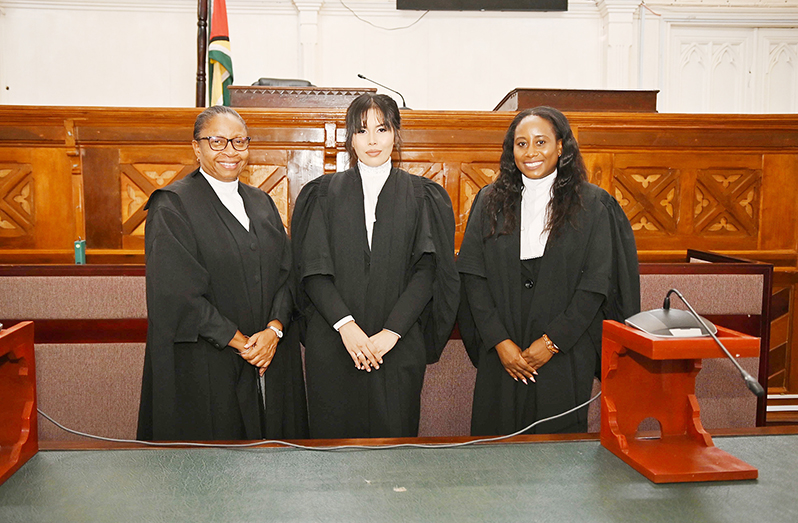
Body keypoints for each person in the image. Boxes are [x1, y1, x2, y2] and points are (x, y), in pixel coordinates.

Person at [457, 106, 640, 436]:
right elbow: (473, 277)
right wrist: (500, 342)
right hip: (503, 350)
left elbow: (596, 285)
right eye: (521, 143)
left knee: (558, 456)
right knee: (495, 450)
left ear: (561, 146)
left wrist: (552, 342)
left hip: (564, 351)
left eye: (541, 142)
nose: (531, 152)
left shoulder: (593, 205)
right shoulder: (488, 201)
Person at [291, 93, 460, 439]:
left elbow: (428, 271)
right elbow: (312, 270)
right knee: (333, 454)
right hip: (336, 341)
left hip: (395, 346)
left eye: (381, 129)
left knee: (392, 455)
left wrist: (391, 333)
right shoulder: (321, 194)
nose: (372, 140)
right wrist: (347, 327)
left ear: (396, 134)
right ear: (349, 138)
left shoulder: (421, 195)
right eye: (362, 130)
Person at [137, 106, 308, 441]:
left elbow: (287, 275)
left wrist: (274, 331)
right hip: (207, 362)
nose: (230, 151)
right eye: (217, 141)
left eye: (239, 141)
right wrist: (244, 345)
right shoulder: (172, 205)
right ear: (196, 147)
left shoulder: (261, 202)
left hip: (269, 357)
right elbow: (177, 294)